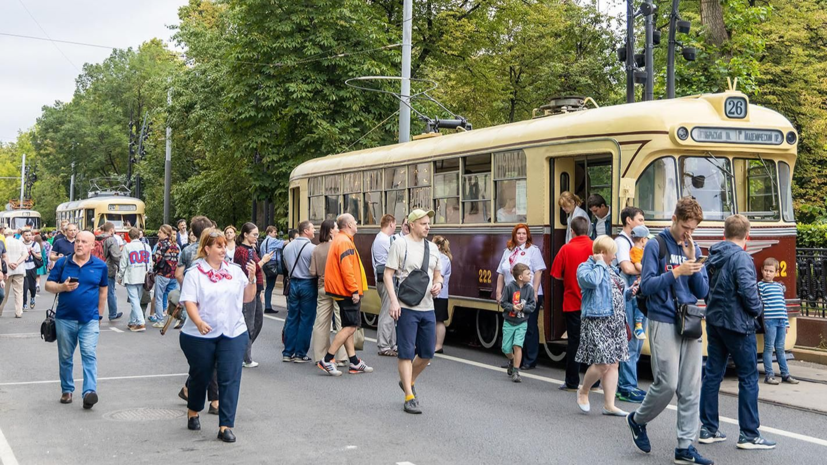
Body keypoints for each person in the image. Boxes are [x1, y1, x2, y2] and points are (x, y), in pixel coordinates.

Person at [626, 197, 712, 465]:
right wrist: (677, 271)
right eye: (686, 226)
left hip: (690, 320)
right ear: (674, 219)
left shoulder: (692, 247)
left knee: (690, 387)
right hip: (663, 319)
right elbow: (648, 285)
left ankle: (685, 447)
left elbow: (703, 291)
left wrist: (692, 263)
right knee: (667, 383)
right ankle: (637, 419)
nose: (689, 233)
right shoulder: (656, 244)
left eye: (694, 229)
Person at [699, 214, 777, 450]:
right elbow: (748, 292)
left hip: (715, 322)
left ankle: (708, 428)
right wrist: (757, 309)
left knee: (712, 374)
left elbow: (704, 288)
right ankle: (749, 434)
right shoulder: (742, 258)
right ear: (747, 235)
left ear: (725, 233)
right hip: (738, 325)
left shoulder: (713, 255)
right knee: (749, 377)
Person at [179, 228, 258, 443]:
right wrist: (199, 322)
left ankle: (225, 426)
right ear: (207, 249)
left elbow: (248, 298)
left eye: (225, 245)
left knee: (230, 377)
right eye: (219, 246)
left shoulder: (235, 271)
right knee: (201, 375)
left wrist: (252, 279)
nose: (224, 249)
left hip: (233, 332)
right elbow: (189, 302)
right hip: (198, 335)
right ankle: (194, 410)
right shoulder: (194, 273)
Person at [383, 209, 442, 414]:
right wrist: (393, 302)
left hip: (428, 307)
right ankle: (409, 395)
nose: (428, 226)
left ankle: (409, 381)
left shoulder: (433, 248)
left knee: (427, 353)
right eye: (424, 223)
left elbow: (438, 274)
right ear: (413, 224)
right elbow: (388, 275)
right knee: (406, 352)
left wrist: (438, 284)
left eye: (429, 223)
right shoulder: (400, 244)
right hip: (406, 307)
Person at [46, 231, 108, 409]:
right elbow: (48, 285)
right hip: (64, 318)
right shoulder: (63, 263)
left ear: (92, 245)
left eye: (84, 242)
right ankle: (67, 389)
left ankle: (89, 392)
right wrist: (62, 287)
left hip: (89, 319)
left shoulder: (100, 266)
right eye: (77, 241)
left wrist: (99, 315)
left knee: (89, 354)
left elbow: (103, 291)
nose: (79, 244)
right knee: (65, 356)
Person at [575, 235, 631, 416]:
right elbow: (592, 282)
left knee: (614, 363)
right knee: (602, 363)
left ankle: (609, 405)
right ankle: (584, 390)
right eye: (612, 254)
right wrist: (599, 263)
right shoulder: (585, 268)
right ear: (601, 253)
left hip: (616, 321)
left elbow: (617, 292)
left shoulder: (612, 269)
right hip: (597, 320)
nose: (615, 257)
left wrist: (631, 292)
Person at [318, 213, 373, 376]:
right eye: (355, 222)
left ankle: (354, 361)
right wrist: (354, 290)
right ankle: (327, 359)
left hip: (340, 290)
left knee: (348, 326)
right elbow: (347, 269)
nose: (357, 224)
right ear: (349, 225)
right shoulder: (344, 242)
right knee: (350, 326)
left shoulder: (340, 240)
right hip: (346, 291)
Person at [175, 216, 218, 405]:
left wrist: (190, 292)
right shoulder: (214, 251)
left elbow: (178, 274)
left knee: (205, 357)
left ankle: (189, 389)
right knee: (210, 356)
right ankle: (214, 400)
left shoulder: (187, 250)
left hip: (193, 308)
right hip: (211, 307)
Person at [550, 216, 593, 391]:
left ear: (572, 231)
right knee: (592, 341)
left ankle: (572, 381)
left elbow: (556, 274)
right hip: (594, 304)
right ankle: (594, 381)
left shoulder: (566, 249)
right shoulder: (595, 246)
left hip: (572, 301)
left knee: (574, 342)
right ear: (588, 229)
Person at [495, 224, 545, 370]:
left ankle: (529, 359)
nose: (521, 236)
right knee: (511, 326)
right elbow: (501, 273)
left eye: (524, 233)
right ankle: (515, 359)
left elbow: (538, 272)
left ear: (528, 235)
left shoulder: (533, 251)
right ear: (514, 235)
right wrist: (499, 292)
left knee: (528, 327)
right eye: (518, 234)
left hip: (527, 293)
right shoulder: (508, 251)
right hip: (511, 294)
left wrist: (534, 292)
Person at [614, 206, 648, 403]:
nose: (643, 223)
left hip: (635, 294)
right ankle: (627, 386)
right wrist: (642, 269)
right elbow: (626, 267)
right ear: (629, 220)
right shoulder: (622, 242)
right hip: (628, 295)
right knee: (631, 341)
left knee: (636, 340)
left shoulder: (633, 243)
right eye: (640, 219)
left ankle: (628, 384)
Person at [309, 219, 347, 363]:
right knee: (340, 321)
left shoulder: (316, 248)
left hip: (322, 287)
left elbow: (313, 272)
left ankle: (320, 356)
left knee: (321, 322)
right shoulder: (337, 246)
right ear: (331, 230)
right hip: (337, 287)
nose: (338, 230)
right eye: (336, 227)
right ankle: (342, 356)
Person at [234, 222, 272, 368]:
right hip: (247, 290)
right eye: (254, 234)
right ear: (245, 234)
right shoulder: (242, 251)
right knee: (249, 323)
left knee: (257, 321)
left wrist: (261, 289)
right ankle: (245, 357)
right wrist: (263, 261)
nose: (257, 237)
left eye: (257, 234)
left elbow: (257, 274)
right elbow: (248, 271)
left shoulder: (251, 249)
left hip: (256, 289)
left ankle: (243, 351)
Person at [758, 258, 798, 386]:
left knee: (780, 348)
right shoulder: (760, 285)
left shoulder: (779, 286)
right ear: (762, 270)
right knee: (769, 347)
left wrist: (786, 323)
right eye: (765, 270)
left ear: (776, 272)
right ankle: (769, 375)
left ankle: (785, 374)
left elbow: (782, 305)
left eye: (771, 271)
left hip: (781, 321)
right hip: (769, 321)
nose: (768, 273)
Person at [281, 221, 317, 363]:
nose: (314, 231)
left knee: (292, 317)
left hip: (293, 283)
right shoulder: (312, 248)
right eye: (313, 228)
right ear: (306, 231)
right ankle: (300, 353)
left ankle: (287, 352)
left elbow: (285, 265)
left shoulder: (287, 247)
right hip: (308, 283)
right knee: (306, 320)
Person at [500, 263, 536, 383]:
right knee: (506, 348)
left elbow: (532, 305)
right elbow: (503, 302)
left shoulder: (530, 289)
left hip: (522, 322)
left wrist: (523, 308)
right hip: (509, 322)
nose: (530, 275)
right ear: (520, 277)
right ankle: (512, 360)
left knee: (517, 345)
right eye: (528, 274)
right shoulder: (509, 287)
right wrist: (513, 307)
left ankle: (516, 371)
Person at [371, 214, 398, 356]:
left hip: (382, 279)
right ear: (391, 224)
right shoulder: (384, 240)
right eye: (395, 224)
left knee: (391, 311)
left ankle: (391, 343)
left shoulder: (379, 238)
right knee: (387, 311)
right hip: (386, 280)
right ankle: (384, 345)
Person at [117, 228, 152, 332]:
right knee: (137, 300)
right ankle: (132, 321)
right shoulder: (147, 246)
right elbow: (150, 263)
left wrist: (120, 276)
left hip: (131, 276)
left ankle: (140, 322)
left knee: (134, 300)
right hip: (143, 276)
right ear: (139, 235)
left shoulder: (127, 247)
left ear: (129, 236)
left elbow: (123, 264)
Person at [151, 224, 180, 328]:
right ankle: (176, 318)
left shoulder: (161, 244)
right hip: (173, 275)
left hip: (163, 274)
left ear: (165, 233)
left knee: (158, 297)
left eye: (160, 232)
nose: (158, 234)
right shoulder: (175, 245)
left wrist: (153, 266)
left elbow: (156, 258)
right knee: (172, 298)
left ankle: (160, 320)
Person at [432, 235, 452, 354]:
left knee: (439, 320)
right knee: (436, 319)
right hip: (437, 293)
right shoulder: (439, 257)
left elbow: (440, 276)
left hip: (439, 294)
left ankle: (438, 345)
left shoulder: (443, 259)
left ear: (438, 246)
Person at [629, 225, 649, 340]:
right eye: (647, 239)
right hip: (637, 279)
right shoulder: (636, 251)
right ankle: (638, 325)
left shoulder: (639, 250)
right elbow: (637, 264)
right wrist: (648, 270)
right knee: (639, 303)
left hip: (640, 279)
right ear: (642, 240)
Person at [100, 223, 123, 321]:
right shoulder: (110, 240)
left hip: (94, 267)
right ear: (111, 229)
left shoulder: (97, 238)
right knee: (110, 292)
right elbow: (116, 256)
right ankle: (113, 313)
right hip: (107, 268)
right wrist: (121, 268)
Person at [259, 225, 284, 314]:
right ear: (269, 233)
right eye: (274, 232)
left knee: (269, 287)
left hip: (266, 265)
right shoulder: (272, 240)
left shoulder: (263, 242)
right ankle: (268, 306)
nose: (276, 234)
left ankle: (267, 306)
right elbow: (283, 243)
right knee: (285, 274)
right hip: (273, 264)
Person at [1, 230, 25, 317]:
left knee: (4, 293)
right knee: (19, 292)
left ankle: (0, 310)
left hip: (6, 271)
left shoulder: (3, 242)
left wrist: (10, 263)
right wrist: (17, 263)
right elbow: (25, 255)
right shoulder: (19, 242)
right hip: (19, 269)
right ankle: (19, 312)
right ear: (13, 234)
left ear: (5, 234)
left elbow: (3, 256)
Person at [21, 229, 42, 309]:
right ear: (23, 236)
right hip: (23, 268)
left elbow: (39, 257)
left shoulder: (35, 244)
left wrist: (33, 252)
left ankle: (33, 297)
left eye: (29, 235)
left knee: (32, 287)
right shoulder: (21, 244)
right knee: (24, 287)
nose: (28, 237)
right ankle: (24, 303)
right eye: (26, 235)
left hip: (32, 267)